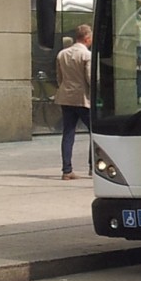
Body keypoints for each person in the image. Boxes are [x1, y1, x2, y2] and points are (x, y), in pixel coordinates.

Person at [54, 24, 93, 180]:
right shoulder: (86, 55)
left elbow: (59, 78)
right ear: (87, 38)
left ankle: (67, 170)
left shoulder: (62, 54)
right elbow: (89, 78)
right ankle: (92, 166)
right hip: (82, 98)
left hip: (65, 97)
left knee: (68, 133)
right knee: (94, 132)